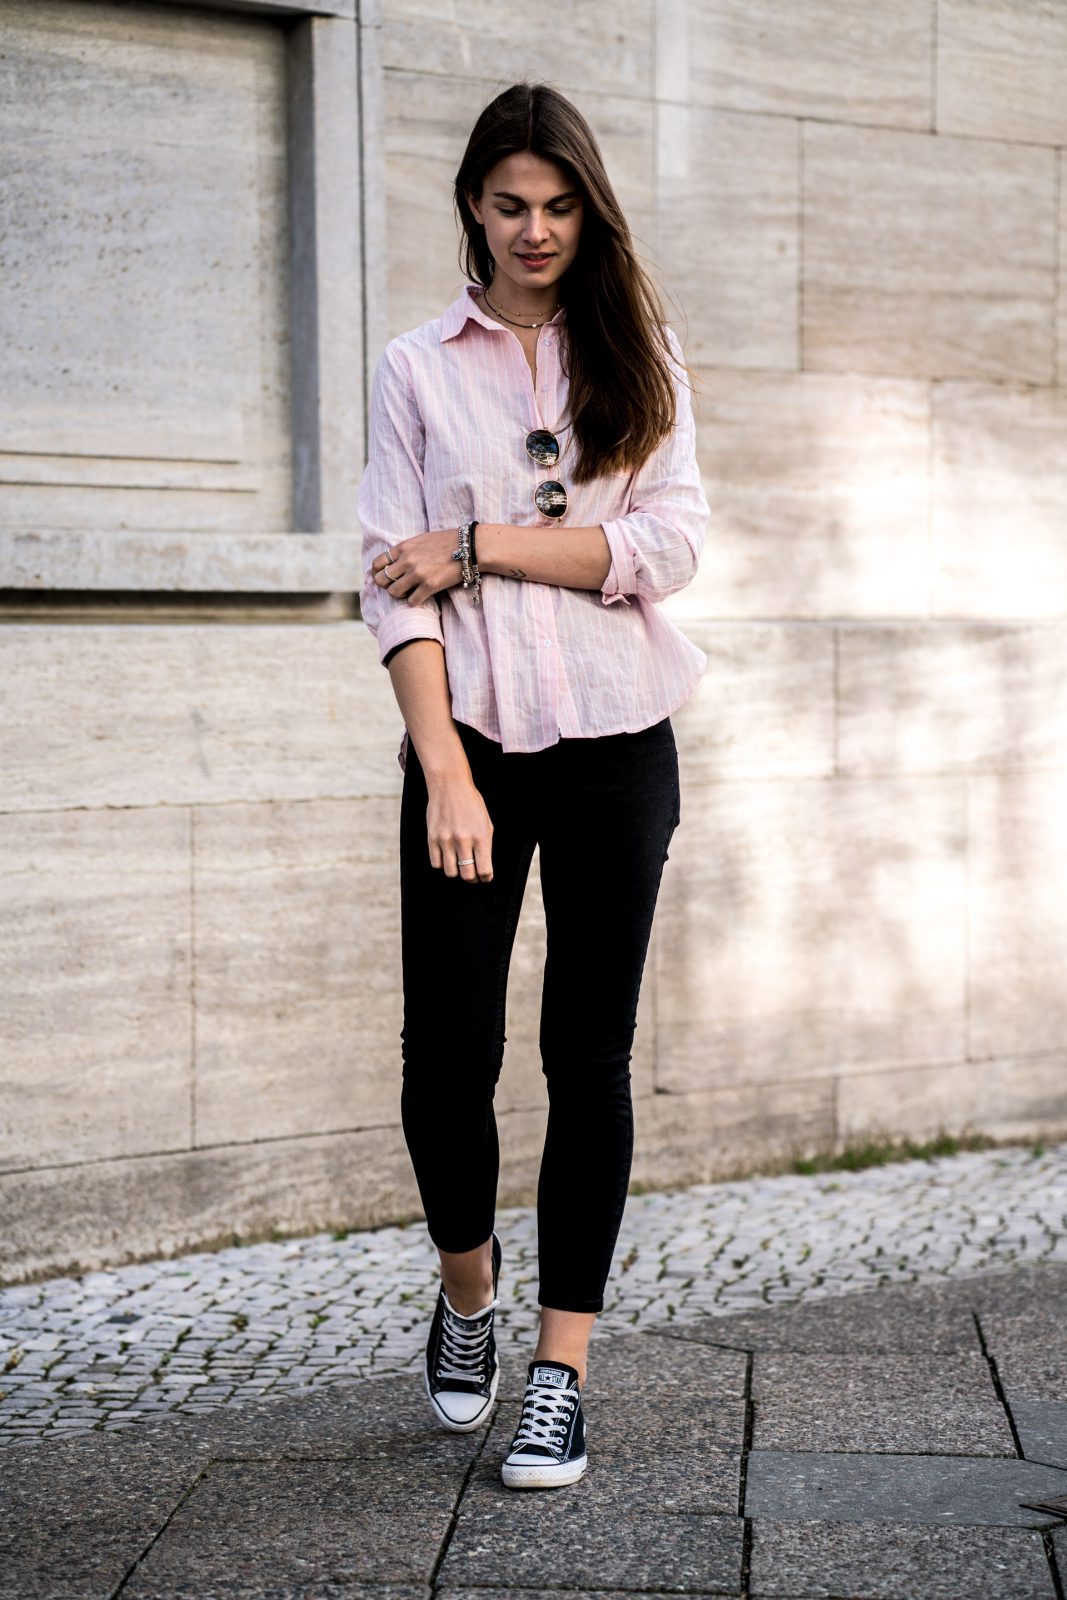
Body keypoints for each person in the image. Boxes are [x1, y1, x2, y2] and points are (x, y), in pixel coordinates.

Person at [357, 81, 709, 1490]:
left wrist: (480, 540)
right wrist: (444, 771)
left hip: (624, 744)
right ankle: (466, 1296)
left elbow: (668, 549)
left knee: (588, 1056)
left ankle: (562, 1368)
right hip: (477, 748)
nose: (537, 230)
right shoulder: (414, 367)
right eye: (511, 203)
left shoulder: (642, 352)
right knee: (446, 1058)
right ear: (473, 208)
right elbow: (393, 585)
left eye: (560, 204)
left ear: (589, 207)